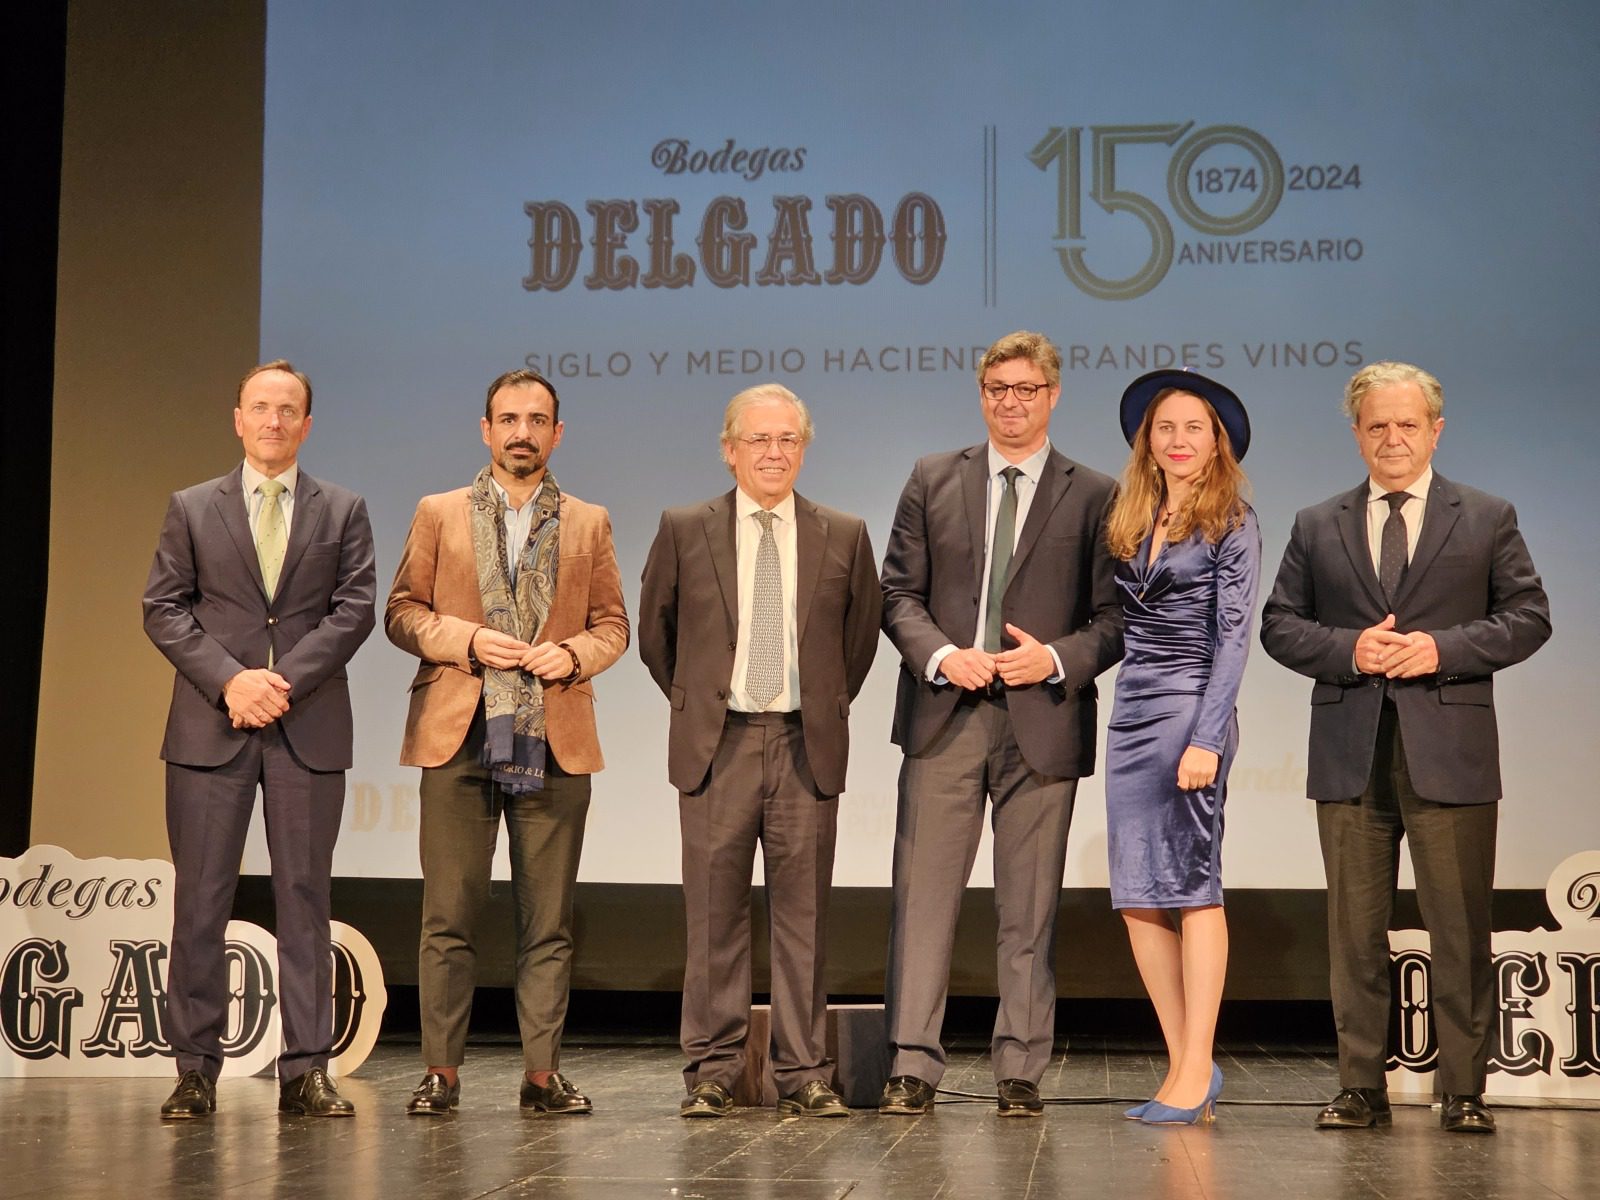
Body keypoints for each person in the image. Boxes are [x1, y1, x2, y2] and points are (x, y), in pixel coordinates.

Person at [1260, 361, 1550, 1135]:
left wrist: (1440, 649)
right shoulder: (1317, 523)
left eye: (1407, 424)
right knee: (1353, 932)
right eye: (1377, 426)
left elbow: (1528, 616)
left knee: (1459, 927)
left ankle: (1464, 1089)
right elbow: (1279, 625)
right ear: (1357, 434)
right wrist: (1351, 649)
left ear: (1436, 431)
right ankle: (1361, 1085)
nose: (1393, 438)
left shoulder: (1485, 516)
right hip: (1349, 753)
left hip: (1450, 751)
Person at [878, 330, 1123, 1117]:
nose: (1010, 403)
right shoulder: (932, 477)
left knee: (1030, 908)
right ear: (981, 395)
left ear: (1053, 395)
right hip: (945, 716)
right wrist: (944, 655)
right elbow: (897, 595)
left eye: (1025, 389)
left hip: (1042, 721)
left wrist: (1052, 659)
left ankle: (1019, 1066)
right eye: (997, 389)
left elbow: (1115, 619)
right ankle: (911, 1063)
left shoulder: (1096, 493)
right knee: (924, 903)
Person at [386, 368, 629, 1117]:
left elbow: (614, 626)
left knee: (548, 921)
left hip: (552, 735)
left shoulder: (588, 521)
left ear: (558, 433)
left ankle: (541, 1075)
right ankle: (441, 1072)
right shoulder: (439, 512)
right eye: (510, 419)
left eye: (537, 420)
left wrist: (574, 655)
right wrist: (466, 640)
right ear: (486, 429)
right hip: (459, 731)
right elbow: (402, 613)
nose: (523, 433)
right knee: (448, 915)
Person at [638, 383, 881, 1119]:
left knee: (804, 918)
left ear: (803, 449)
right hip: (720, 744)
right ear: (729, 449)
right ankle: (712, 1070)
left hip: (805, 744)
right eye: (759, 440)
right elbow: (657, 637)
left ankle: (804, 1071)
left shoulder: (845, 533)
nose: (774, 453)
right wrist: (705, 705)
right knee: (714, 916)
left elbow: (858, 643)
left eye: (787, 440)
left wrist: (816, 709)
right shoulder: (685, 527)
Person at [143, 360, 376, 1119]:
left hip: (306, 727)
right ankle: (195, 1070)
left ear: (307, 424)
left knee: (304, 897)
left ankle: (306, 1070)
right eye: (260, 408)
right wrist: (231, 681)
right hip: (212, 727)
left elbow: (355, 609)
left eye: (288, 410)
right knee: (200, 900)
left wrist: (279, 683)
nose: (274, 421)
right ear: (237, 419)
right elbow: (164, 607)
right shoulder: (191, 507)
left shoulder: (342, 509)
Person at [1102, 369, 1259, 1126]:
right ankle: (1184, 1064)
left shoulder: (1233, 518)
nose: (1178, 440)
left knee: (1194, 887)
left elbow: (1235, 638)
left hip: (1192, 708)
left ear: (1216, 440)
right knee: (1137, 895)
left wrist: (1207, 737)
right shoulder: (1133, 513)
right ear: (1148, 440)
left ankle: (1197, 1069)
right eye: (1165, 427)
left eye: (1194, 427)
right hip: (1131, 710)